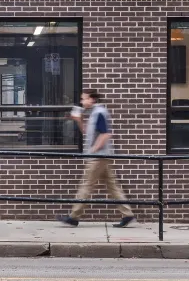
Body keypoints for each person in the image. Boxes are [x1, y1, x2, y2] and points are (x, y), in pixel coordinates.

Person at [57, 90, 135, 228]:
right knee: (112, 186)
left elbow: (106, 135)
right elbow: (88, 133)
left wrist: (93, 150)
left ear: (92, 99)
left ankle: (74, 217)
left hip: (97, 157)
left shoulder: (99, 113)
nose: (81, 102)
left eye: (83, 99)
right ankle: (128, 214)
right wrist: (78, 120)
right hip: (103, 156)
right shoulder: (94, 113)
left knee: (86, 185)